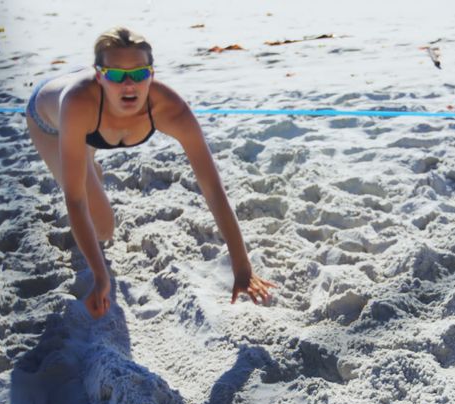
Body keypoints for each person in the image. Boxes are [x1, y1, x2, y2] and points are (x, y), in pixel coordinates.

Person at [25, 27, 276, 319]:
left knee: (101, 224)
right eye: (117, 75)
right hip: (49, 123)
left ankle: (89, 164)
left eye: (139, 73)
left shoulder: (171, 109)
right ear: (100, 75)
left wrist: (242, 267)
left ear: (152, 74)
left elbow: (212, 189)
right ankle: (88, 164)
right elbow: (75, 201)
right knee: (104, 228)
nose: (129, 84)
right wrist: (100, 276)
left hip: (87, 123)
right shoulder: (78, 104)